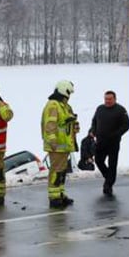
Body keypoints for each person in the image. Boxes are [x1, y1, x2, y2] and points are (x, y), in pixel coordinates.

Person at [42, 80, 79, 208]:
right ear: (65, 91)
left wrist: (74, 125)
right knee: (56, 171)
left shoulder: (64, 106)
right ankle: (54, 197)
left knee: (62, 171)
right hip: (56, 145)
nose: (69, 96)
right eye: (69, 93)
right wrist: (52, 140)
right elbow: (50, 124)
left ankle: (60, 194)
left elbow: (65, 122)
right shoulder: (53, 105)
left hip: (64, 146)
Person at [90, 90, 129, 194]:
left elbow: (127, 124)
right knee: (99, 161)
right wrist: (92, 131)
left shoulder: (120, 110)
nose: (107, 101)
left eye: (110, 99)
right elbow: (94, 122)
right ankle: (108, 177)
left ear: (114, 99)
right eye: (106, 99)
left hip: (113, 142)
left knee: (112, 164)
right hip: (100, 141)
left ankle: (108, 185)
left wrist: (118, 134)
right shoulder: (100, 109)